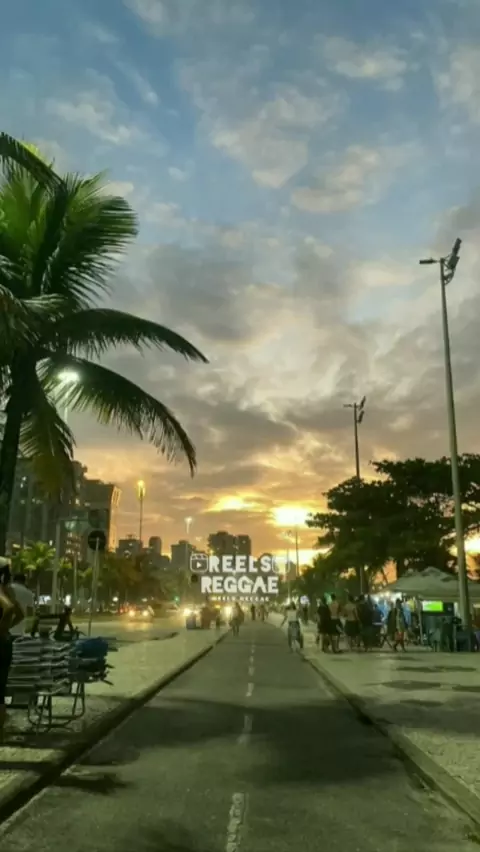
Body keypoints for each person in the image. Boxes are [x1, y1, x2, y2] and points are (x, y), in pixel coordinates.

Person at [0, 562, 24, 740]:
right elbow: (20, 614)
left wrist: (1, 629)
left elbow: (8, 608)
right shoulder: (7, 590)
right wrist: (6, 629)